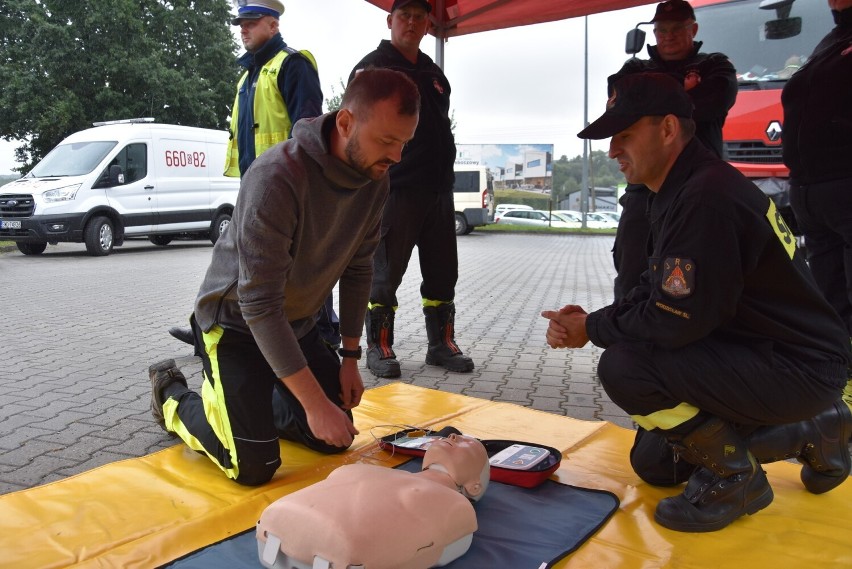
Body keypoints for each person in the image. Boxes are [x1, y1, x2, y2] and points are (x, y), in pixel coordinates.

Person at [541, 72, 851, 533]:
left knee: (626, 367)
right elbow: (657, 291)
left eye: (624, 135)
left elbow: (673, 319)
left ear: (667, 130)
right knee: (656, 465)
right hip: (769, 356)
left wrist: (594, 330)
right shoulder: (684, 188)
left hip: (796, 367)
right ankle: (814, 429)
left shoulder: (704, 198)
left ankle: (735, 477)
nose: (611, 150)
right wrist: (591, 320)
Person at [148, 68, 421, 486]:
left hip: (295, 326)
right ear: (346, 122)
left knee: (335, 438)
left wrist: (350, 358)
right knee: (252, 467)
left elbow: (359, 268)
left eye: (404, 143)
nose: (396, 157)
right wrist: (313, 404)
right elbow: (258, 304)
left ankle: (260, 403)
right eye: (386, 141)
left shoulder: (374, 180)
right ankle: (171, 395)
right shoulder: (277, 177)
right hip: (235, 327)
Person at [167, 0, 339, 349]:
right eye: (240, 23)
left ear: (273, 25)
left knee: (302, 266)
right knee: (232, 262)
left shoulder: (291, 65)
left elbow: (308, 131)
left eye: (251, 22)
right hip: (253, 186)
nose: (242, 29)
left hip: (289, 187)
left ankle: (324, 336)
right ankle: (207, 328)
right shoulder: (248, 75)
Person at [348, 0, 474, 378]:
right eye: (405, 15)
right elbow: (355, 126)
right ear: (391, 20)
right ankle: (379, 347)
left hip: (438, 190)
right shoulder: (372, 67)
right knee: (384, 273)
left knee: (442, 273)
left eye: (420, 17)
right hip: (394, 189)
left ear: (427, 24)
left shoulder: (435, 75)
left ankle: (441, 345)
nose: (412, 23)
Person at [608, 0, 737, 300]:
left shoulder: (716, 66)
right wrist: (686, 89)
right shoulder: (633, 67)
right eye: (661, 30)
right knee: (631, 271)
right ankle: (626, 338)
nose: (668, 36)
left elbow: (714, 102)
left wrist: (653, 98)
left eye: (677, 28)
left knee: (693, 274)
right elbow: (619, 104)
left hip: (697, 190)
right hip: (643, 190)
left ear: (693, 29)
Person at [256, 434, 489, 569]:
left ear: (474, 485)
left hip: (341, 550)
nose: (453, 436)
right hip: (280, 526)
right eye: (454, 437)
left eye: (467, 444)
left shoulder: (455, 506)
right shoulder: (365, 472)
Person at [783, 0, 852, 415]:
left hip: (844, 185)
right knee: (830, 300)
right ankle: (837, 388)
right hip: (812, 191)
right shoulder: (832, 38)